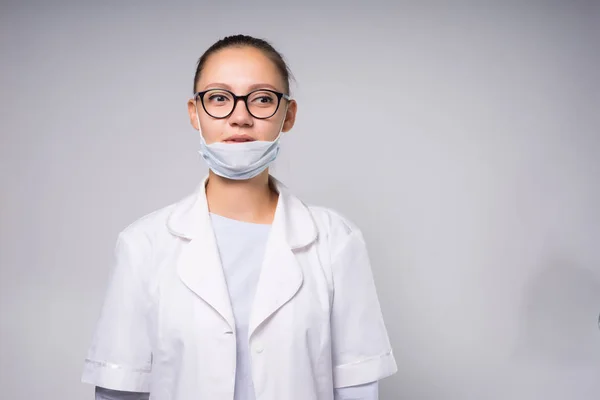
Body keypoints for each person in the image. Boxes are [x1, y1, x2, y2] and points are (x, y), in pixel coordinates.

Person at [82, 34, 397, 400]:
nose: (240, 117)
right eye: (219, 98)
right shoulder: (144, 245)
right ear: (194, 112)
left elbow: (357, 389)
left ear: (288, 115)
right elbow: (120, 390)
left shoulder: (336, 241)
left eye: (262, 99)